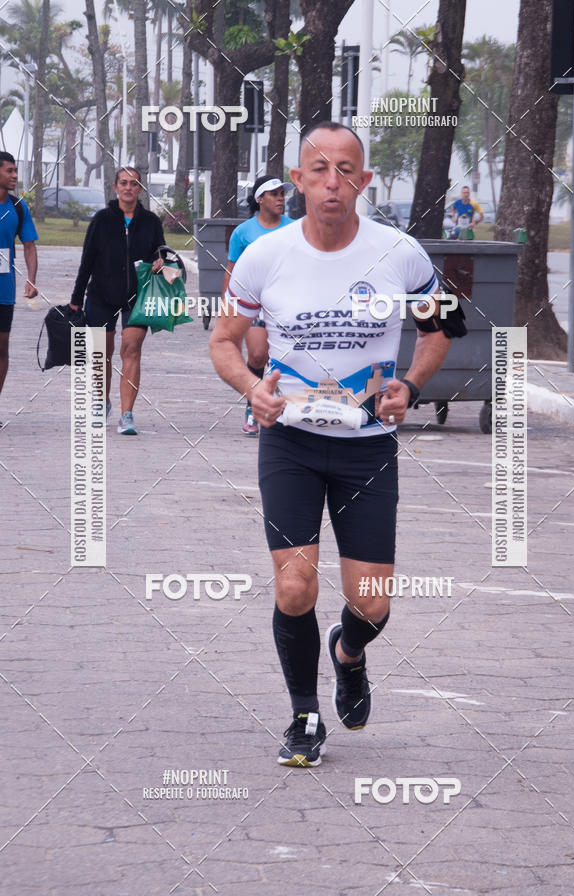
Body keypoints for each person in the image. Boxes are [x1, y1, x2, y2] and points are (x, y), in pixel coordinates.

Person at [210, 122, 465, 768]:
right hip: (290, 442)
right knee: (294, 586)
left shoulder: (399, 252)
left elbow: (446, 328)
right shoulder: (264, 257)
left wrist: (409, 383)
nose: (332, 182)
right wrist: (251, 388)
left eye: (346, 169)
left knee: (372, 604)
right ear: (297, 180)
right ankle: (303, 716)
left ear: (365, 180)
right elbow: (221, 341)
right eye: (318, 169)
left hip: (367, 447)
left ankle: (347, 654)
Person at [69, 167, 165, 435]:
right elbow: (86, 260)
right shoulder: (101, 220)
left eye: (134, 184)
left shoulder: (151, 221)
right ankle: (101, 403)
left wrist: (161, 261)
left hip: (138, 295)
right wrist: (77, 297)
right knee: (101, 354)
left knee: (131, 350)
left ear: (140, 189)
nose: (128, 188)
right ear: (115, 187)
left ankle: (127, 414)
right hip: (101, 294)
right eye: (124, 183)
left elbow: (162, 251)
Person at [221, 175, 293, 435]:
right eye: (274, 194)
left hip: (288, 304)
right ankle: (253, 406)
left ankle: (287, 409)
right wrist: (226, 305)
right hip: (255, 304)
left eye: (282, 194)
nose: (281, 198)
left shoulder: (295, 228)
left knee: (286, 359)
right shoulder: (243, 232)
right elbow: (232, 270)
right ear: (260, 199)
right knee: (258, 356)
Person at [0, 151, 38, 428]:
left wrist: (31, 279)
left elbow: (29, 245)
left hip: (4, 290)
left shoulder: (18, 207)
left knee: (2, 349)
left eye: (15, 171)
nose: (15, 176)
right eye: (10, 171)